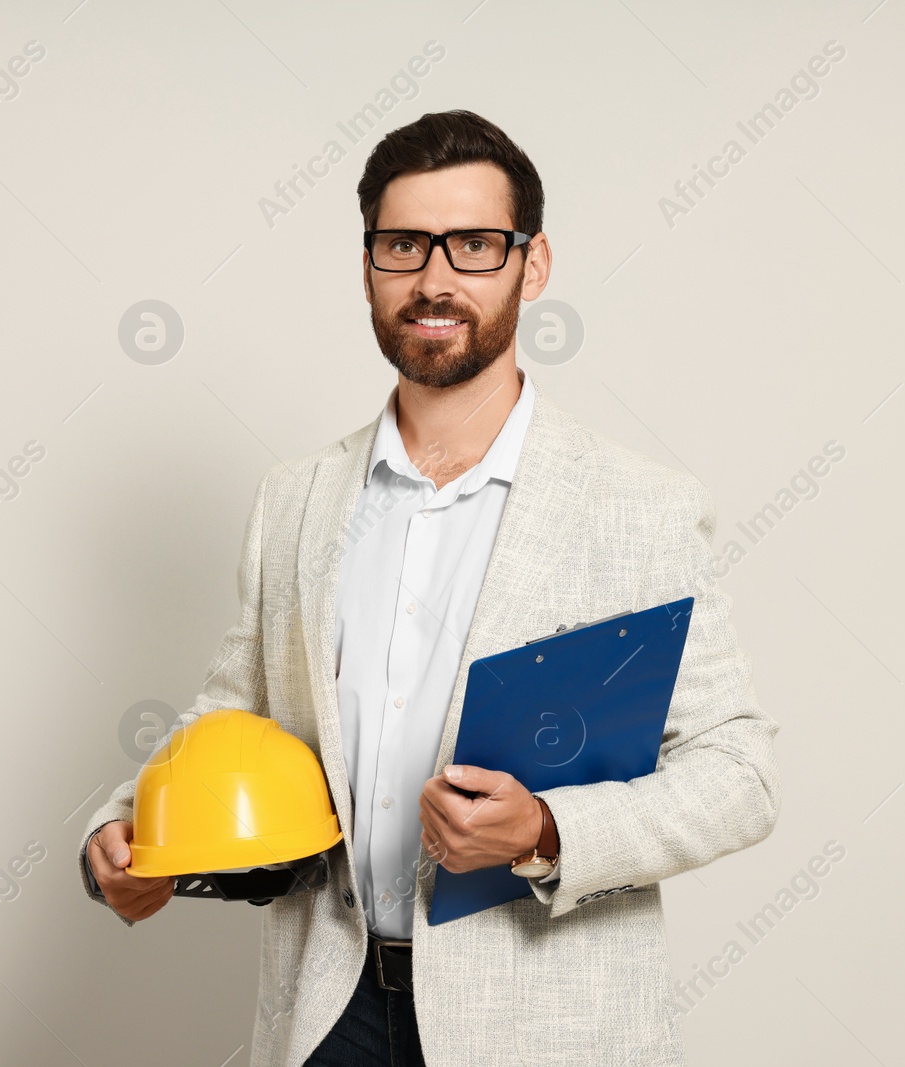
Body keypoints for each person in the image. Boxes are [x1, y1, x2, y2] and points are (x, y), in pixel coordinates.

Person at [80, 109, 780, 1067]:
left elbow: (738, 773)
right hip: (329, 1008)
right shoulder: (295, 499)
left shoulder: (640, 507)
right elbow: (233, 714)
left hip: (541, 1021)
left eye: (475, 245)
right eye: (404, 245)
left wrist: (546, 829)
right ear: (369, 264)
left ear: (532, 267)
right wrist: (125, 827)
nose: (435, 279)